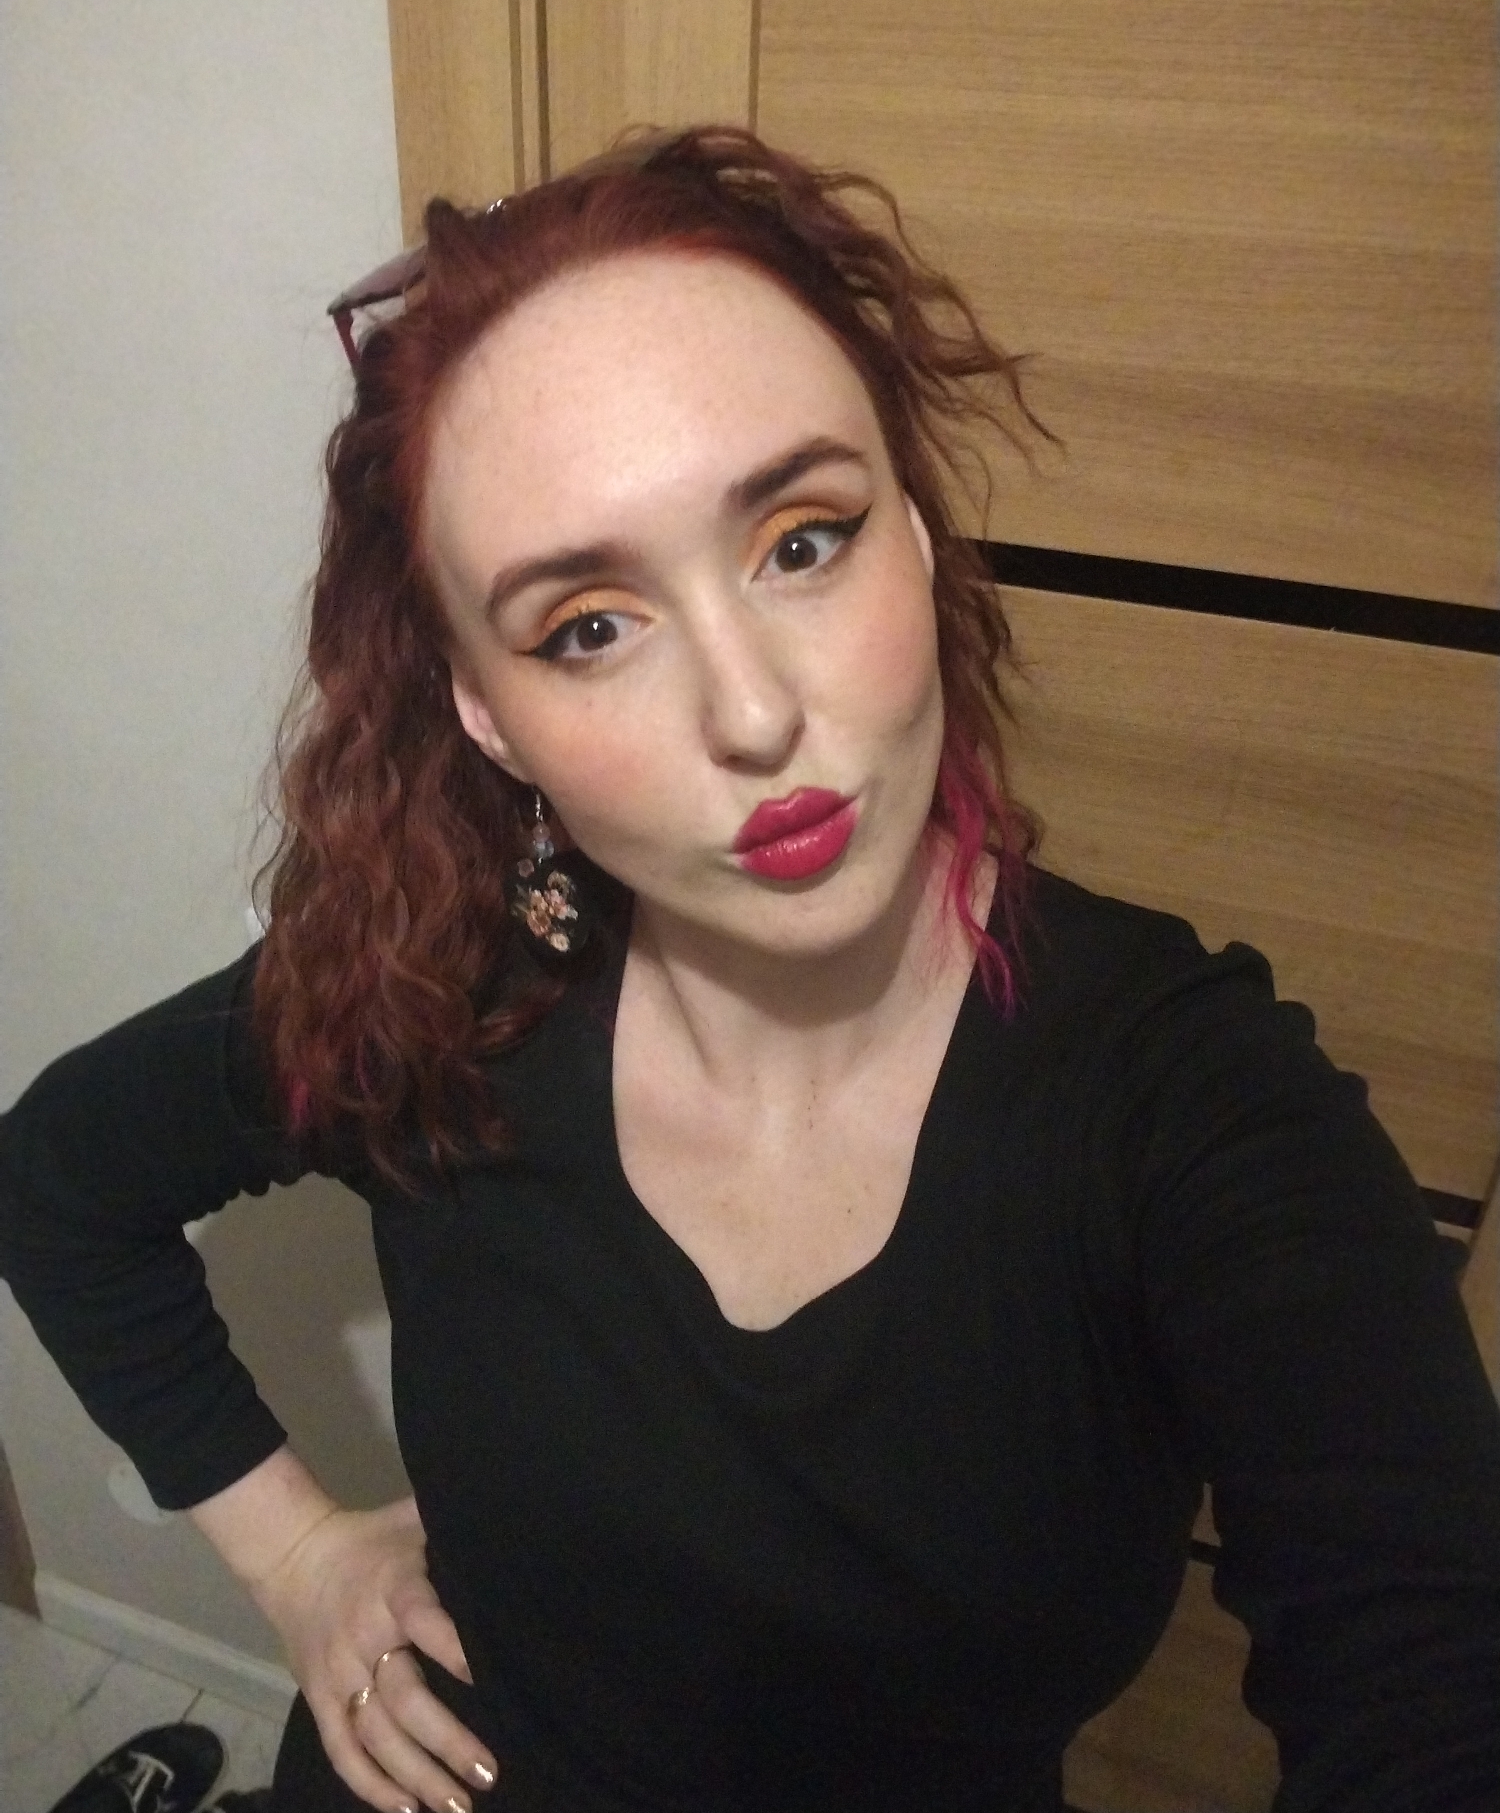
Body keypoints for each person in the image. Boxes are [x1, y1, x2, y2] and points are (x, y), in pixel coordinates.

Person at [2, 128, 1498, 1813]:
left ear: (913, 532)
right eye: (588, 626)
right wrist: (294, 1556)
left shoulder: (1191, 1110)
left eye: (802, 540)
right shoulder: (444, 987)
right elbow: (60, 1182)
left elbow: (1431, 1685)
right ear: (490, 714)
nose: (754, 711)